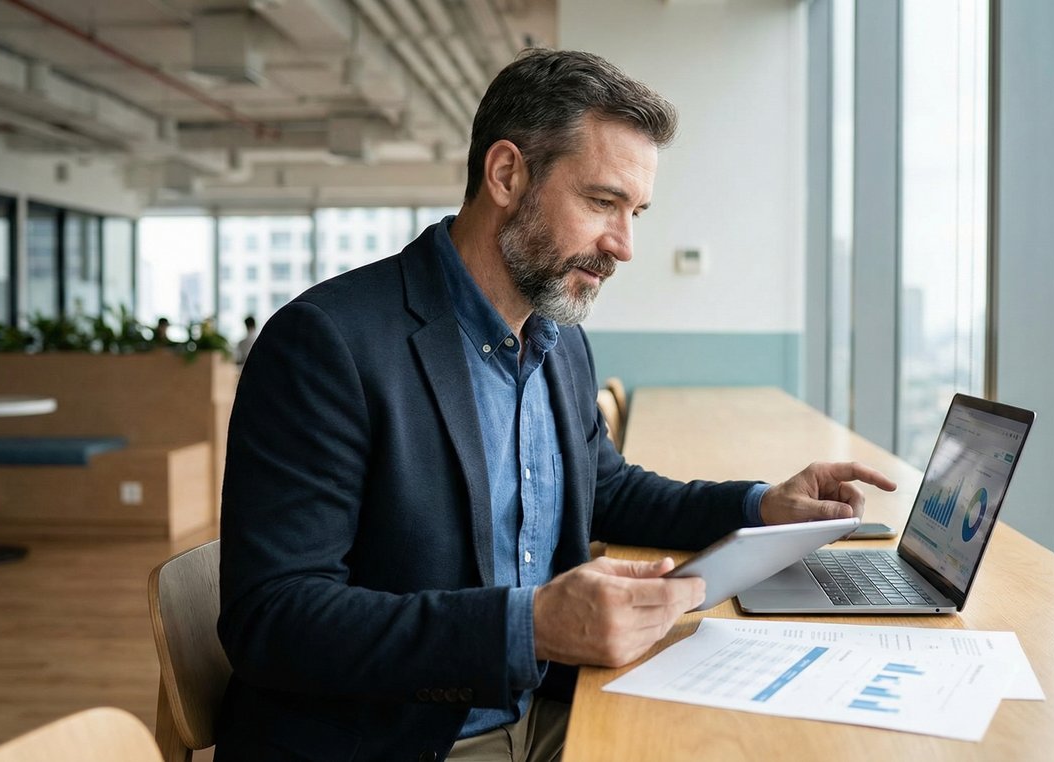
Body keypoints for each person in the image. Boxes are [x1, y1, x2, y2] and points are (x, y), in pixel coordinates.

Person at [215, 49, 897, 762]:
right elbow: (275, 619)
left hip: (553, 709)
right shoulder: (328, 342)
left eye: (635, 212)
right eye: (603, 202)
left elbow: (606, 489)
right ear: (506, 174)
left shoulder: (556, 338)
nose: (624, 245)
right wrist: (529, 627)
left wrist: (760, 507)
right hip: (407, 740)